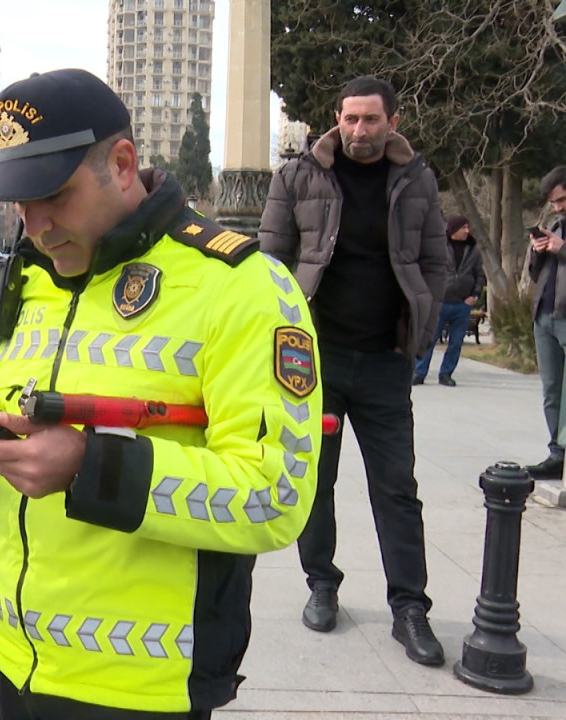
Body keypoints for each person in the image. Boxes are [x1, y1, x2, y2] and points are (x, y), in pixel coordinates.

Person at [0, 68, 322, 719]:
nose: (36, 223)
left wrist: (87, 467)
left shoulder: (242, 286)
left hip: (144, 685)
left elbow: (275, 493)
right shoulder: (29, 276)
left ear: (123, 164)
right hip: (15, 661)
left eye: (54, 194)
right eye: (19, 201)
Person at [258, 76, 448, 666]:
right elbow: (270, 266)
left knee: (397, 487)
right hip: (317, 365)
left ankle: (409, 607)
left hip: (386, 363)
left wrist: (419, 328)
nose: (358, 131)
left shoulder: (417, 180)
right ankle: (322, 583)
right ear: (335, 119)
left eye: (370, 120)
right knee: (316, 483)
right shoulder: (297, 177)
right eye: (349, 119)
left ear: (392, 120)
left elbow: (436, 261)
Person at [526, 166, 566, 480]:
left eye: (562, 199)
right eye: (554, 202)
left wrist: (562, 250)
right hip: (545, 316)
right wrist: (538, 252)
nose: (558, 207)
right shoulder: (556, 226)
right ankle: (556, 454)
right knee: (551, 389)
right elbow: (535, 274)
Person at [413, 215, 485, 386]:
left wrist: (474, 295)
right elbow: (427, 270)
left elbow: (479, 275)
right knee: (429, 340)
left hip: (462, 304)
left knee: (456, 342)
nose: (467, 231)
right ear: (453, 230)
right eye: (463, 228)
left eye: (468, 227)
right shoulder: (439, 247)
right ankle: (419, 372)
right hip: (439, 302)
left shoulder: (473, 250)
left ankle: (446, 374)